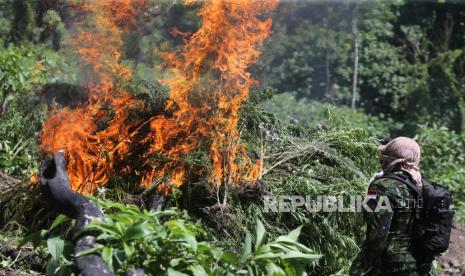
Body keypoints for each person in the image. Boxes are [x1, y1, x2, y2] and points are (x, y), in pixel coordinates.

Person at [350, 137, 436, 276]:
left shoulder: (380, 186)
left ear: (390, 160)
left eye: (383, 159)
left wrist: (360, 268)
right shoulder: (422, 187)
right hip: (423, 268)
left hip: (392, 267)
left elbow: (377, 236)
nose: (381, 162)